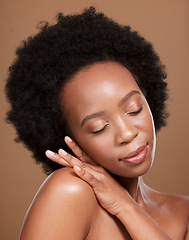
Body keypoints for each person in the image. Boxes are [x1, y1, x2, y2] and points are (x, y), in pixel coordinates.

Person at [5, 6, 189, 240]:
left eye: (134, 109)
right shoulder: (69, 191)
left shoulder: (185, 213)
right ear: (70, 140)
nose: (127, 134)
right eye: (99, 127)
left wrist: (124, 204)